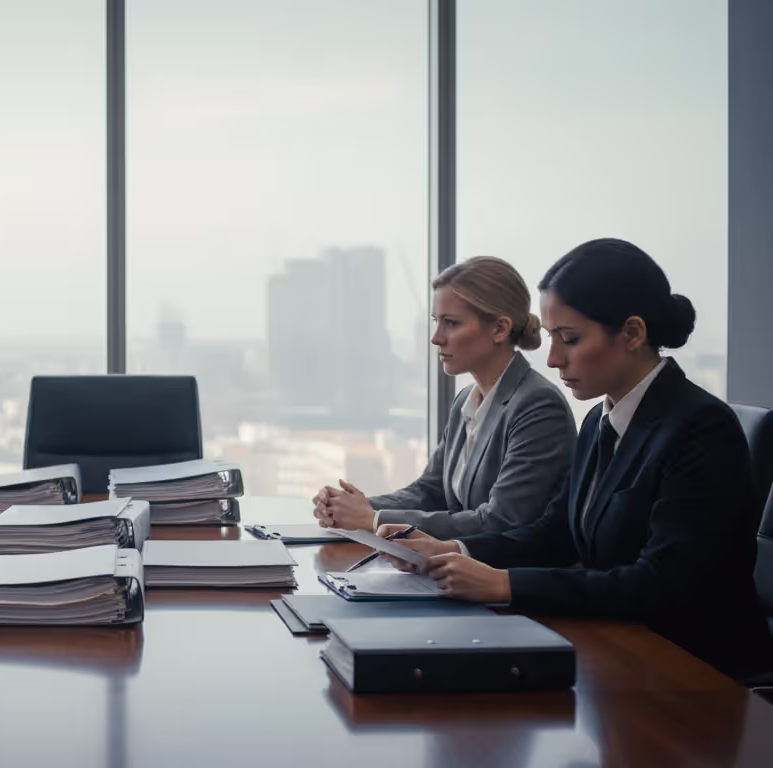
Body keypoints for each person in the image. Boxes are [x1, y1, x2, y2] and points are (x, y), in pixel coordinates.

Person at [381, 238, 773, 682]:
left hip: (692, 672)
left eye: (570, 339)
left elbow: (661, 583)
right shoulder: (598, 422)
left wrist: (504, 584)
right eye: (551, 338)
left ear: (632, 333)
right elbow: (555, 533)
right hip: (616, 648)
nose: (552, 358)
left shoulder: (700, 428)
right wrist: (454, 550)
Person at [313, 256, 576, 537]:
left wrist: (374, 519)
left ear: (499, 329)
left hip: (500, 575)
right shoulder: (466, 400)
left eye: (451, 323)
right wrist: (352, 506)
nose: (436, 338)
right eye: (437, 321)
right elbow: (431, 490)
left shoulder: (538, 406)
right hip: (452, 568)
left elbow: (500, 521)